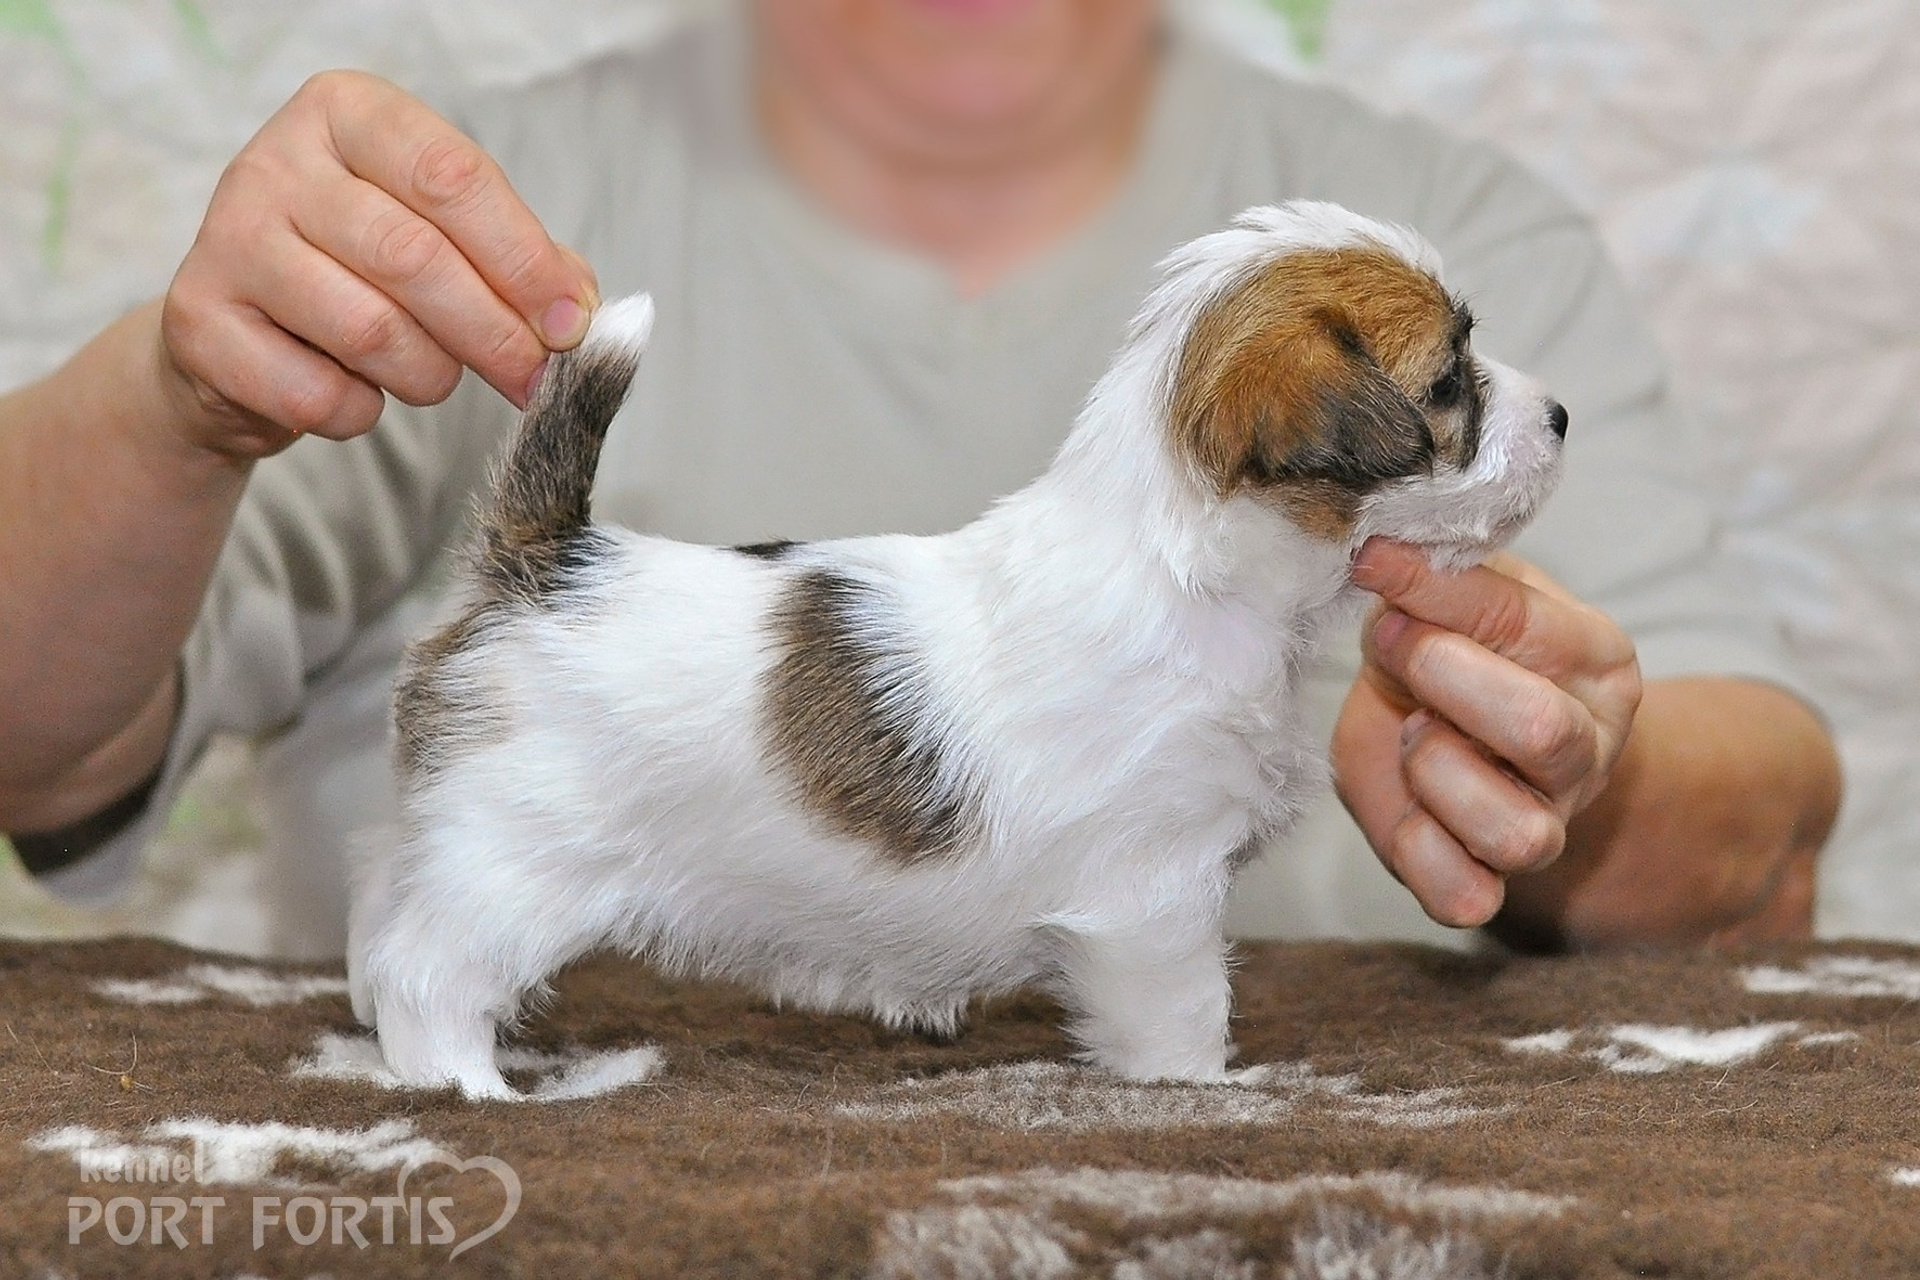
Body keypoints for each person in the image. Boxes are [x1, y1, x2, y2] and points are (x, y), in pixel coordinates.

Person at [0, 0, 1840, 957]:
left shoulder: (1435, 256)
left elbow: (1771, 844)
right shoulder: (459, 224)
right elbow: (39, 745)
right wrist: (178, 398)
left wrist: (1579, 778)